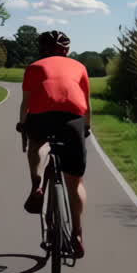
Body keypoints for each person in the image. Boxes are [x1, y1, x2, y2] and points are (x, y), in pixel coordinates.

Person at [16, 30, 90, 259]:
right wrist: (86, 128)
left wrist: (22, 127)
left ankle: (37, 185)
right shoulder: (79, 67)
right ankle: (77, 234)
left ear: (42, 49)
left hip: (41, 116)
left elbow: (25, 104)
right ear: (66, 50)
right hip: (73, 119)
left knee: (37, 145)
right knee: (75, 182)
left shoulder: (34, 67)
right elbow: (86, 104)